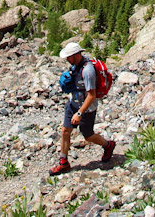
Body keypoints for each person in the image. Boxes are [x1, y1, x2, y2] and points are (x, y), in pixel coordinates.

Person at [49, 42, 116, 175]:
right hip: (73, 103)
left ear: (76, 55)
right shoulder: (76, 66)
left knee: (88, 136)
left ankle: (108, 145)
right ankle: (63, 162)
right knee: (65, 131)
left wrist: (79, 113)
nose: (67, 59)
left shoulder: (88, 71)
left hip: (86, 108)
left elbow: (92, 95)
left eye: (69, 56)